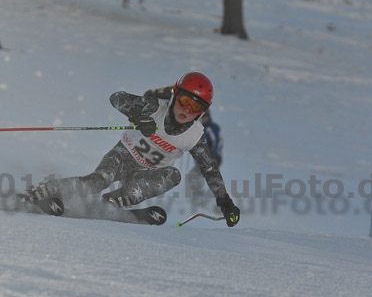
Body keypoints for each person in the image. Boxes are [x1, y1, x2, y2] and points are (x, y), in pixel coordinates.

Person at [20, 72, 240, 227]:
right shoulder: (155, 108)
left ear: (203, 111)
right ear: (174, 95)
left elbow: (210, 170)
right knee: (98, 181)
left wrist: (225, 203)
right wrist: (139, 116)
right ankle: (43, 192)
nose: (187, 110)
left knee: (173, 175)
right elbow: (116, 98)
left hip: (146, 174)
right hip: (123, 156)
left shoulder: (194, 136)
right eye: (184, 101)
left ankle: (112, 204)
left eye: (196, 107)